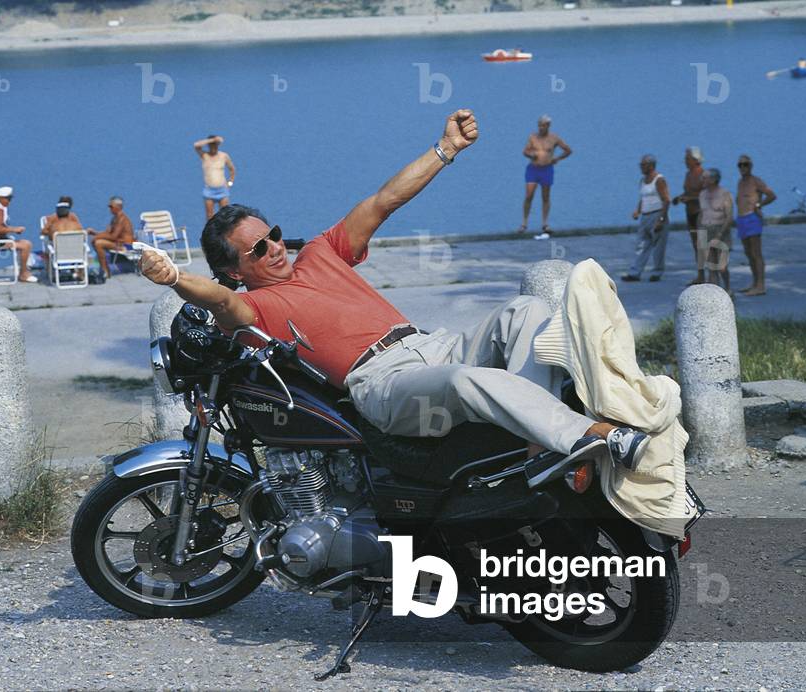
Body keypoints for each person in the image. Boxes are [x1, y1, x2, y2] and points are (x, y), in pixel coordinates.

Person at [139, 110, 651, 472]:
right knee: (466, 380)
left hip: (431, 344)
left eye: (272, 235)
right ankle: (586, 436)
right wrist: (174, 278)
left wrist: (446, 149)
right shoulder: (251, 306)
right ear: (234, 270)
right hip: (383, 383)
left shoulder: (320, 251)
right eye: (257, 249)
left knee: (527, 309)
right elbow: (219, 301)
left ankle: (535, 445)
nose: (274, 247)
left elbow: (385, 200)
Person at [519, 114, 571, 239]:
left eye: (543, 125)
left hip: (547, 169)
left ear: (548, 126)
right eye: (539, 125)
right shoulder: (533, 137)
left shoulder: (554, 138)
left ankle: (545, 224)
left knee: (545, 196)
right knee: (529, 195)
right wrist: (531, 155)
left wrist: (557, 159)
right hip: (533, 169)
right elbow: (525, 151)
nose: (540, 128)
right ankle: (524, 223)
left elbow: (568, 150)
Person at [622, 155, 670, 283]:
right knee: (642, 245)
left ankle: (657, 272)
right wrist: (638, 211)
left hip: (657, 214)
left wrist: (661, 219)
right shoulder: (643, 181)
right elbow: (643, 198)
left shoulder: (659, 180)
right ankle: (635, 272)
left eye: (643, 165)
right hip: (645, 216)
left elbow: (666, 200)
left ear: (651, 165)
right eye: (641, 165)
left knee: (658, 246)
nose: (641, 167)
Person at [735, 155, 777, 296]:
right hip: (741, 219)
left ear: (750, 166)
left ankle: (761, 285)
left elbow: (771, 195)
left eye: (745, 164)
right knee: (748, 253)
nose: (743, 167)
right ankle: (754, 283)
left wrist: (759, 205)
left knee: (756, 253)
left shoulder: (756, 181)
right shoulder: (740, 182)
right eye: (740, 165)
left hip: (752, 218)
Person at [0, 186, 38, 283]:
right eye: (7, 199)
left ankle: (23, 270)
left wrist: (13, 230)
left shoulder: (0, 209)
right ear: (0, 198)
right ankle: (23, 274)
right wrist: (14, 229)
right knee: (26, 245)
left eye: (10, 199)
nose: (9, 201)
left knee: (26, 243)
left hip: (1, 239)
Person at [672, 147, 705, 286]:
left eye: (687, 159)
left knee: (703, 245)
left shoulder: (703, 174)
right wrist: (679, 198)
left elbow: (706, 195)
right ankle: (700, 275)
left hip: (700, 213)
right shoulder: (688, 174)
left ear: (695, 160)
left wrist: (689, 199)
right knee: (696, 245)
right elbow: (688, 192)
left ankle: (711, 275)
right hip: (690, 212)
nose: (685, 161)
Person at [698, 168, 735, 293]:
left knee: (722, 266)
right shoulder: (702, 194)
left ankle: (728, 289)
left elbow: (729, 217)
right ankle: (715, 293)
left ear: (713, 180)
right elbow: (701, 214)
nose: (702, 180)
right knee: (711, 266)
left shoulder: (725, 194)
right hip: (706, 229)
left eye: (705, 178)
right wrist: (700, 232)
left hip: (720, 230)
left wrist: (720, 234)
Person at [89, 196, 134, 279]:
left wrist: (97, 237)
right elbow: (108, 233)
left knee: (98, 243)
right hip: (117, 242)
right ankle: (105, 269)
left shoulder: (122, 219)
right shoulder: (115, 218)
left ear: (118, 207)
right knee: (96, 242)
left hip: (124, 245)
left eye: (111, 206)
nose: (110, 209)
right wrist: (95, 233)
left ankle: (105, 271)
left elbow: (113, 236)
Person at [193, 134, 236, 220]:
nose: (213, 147)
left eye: (215, 144)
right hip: (209, 190)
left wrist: (230, 182)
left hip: (222, 190)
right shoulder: (204, 155)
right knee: (210, 216)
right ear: (208, 145)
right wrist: (212, 140)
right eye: (212, 145)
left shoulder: (223, 156)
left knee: (225, 214)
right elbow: (196, 145)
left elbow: (232, 169)